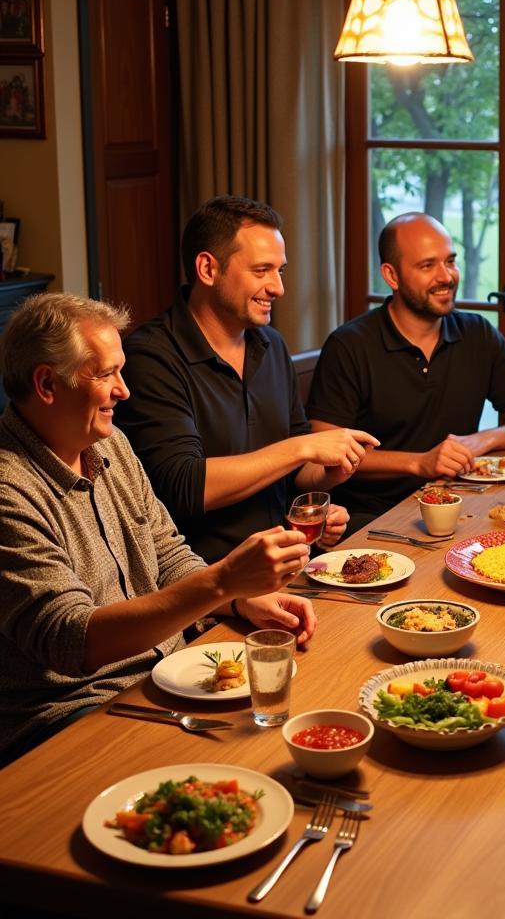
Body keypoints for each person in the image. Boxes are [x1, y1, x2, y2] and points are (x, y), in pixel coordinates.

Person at [0, 294, 315, 764]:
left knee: (296, 716)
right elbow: (72, 639)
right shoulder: (10, 488)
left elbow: (167, 554)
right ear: (47, 384)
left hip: (160, 673)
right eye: (105, 374)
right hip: (68, 716)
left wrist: (239, 599)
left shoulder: (112, 445)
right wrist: (223, 579)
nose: (123, 390)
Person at [118, 196, 378, 565]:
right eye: (262, 271)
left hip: (289, 565)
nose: (278, 288)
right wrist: (303, 448)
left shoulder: (271, 345)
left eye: (280, 271)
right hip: (207, 585)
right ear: (208, 269)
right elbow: (183, 486)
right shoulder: (150, 358)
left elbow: (297, 474)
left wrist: (327, 478)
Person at [306, 213, 505, 531]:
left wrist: (481, 441)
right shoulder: (349, 346)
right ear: (392, 275)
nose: (447, 276)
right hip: (372, 516)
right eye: (427, 266)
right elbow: (320, 453)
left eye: (450, 261)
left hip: (460, 502)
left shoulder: (477, 333)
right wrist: (419, 462)